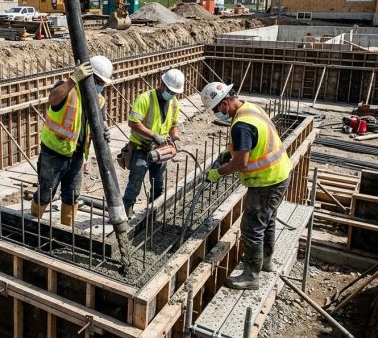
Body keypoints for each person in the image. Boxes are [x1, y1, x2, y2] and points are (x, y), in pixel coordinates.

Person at [200, 81, 293, 290]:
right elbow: (253, 142)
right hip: (279, 174)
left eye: (216, 109)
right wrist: (228, 152)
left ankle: (251, 276)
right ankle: (265, 261)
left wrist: (217, 173)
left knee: (251, 228)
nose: (216, 114)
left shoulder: (241, 125)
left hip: (266, 181)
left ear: (224, 104)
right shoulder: (249, 108)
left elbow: (241, 163)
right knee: (266, 221)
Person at [31, 55, 113, 226]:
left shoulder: (99, 100)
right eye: (98, 82)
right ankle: (32, 222)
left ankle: (66, 230)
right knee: (46, 193)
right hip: (53, 153)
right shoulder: (67, 90)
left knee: (72, 195)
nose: (100, 87)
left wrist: (105, 129)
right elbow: (52, 99)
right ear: (88, 78)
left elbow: (101, 120)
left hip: (76, 155)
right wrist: (73, 80)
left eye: (102, 84)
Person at [121, 69, 185, 218]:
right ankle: (126, 212)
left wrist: (174, 138)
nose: (171, 94)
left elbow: (173, 125)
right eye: (169, 90)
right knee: (134, 184)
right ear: (161, 84)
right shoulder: (145, 98)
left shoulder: (174, 103)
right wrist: (153, 135)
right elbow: (133, 122)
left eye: (174, 92)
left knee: (159, 185)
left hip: (160, 151)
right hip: (140, 149)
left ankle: (154, 213)